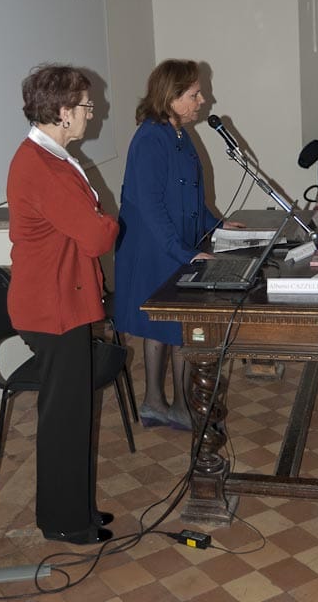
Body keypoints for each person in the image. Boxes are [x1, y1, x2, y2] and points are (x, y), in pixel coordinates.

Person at [7, 63, 119, 545]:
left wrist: (97, 218)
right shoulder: (43, 167)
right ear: (62, 110)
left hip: (59, 301)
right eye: (87, 105)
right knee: (64, 418)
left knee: (71, 412)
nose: (93, 114)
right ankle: (64, 522)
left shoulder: (49, 156)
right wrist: (109, 221)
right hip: (51, 308)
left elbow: (85, 225)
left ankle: (78, 509)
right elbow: (97, 236)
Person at [114, 59, 244, 430]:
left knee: (168, 325)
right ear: (171, 97)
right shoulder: (150, 140)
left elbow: (191, 196)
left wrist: (216, 224)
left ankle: (158, 403)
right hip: (154, 248)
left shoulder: (178, 134)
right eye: (194, 94)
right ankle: (178, 408)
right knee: (174, 325)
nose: (202, 100)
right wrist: (185, 253)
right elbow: (151, 208)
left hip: (173, 244)